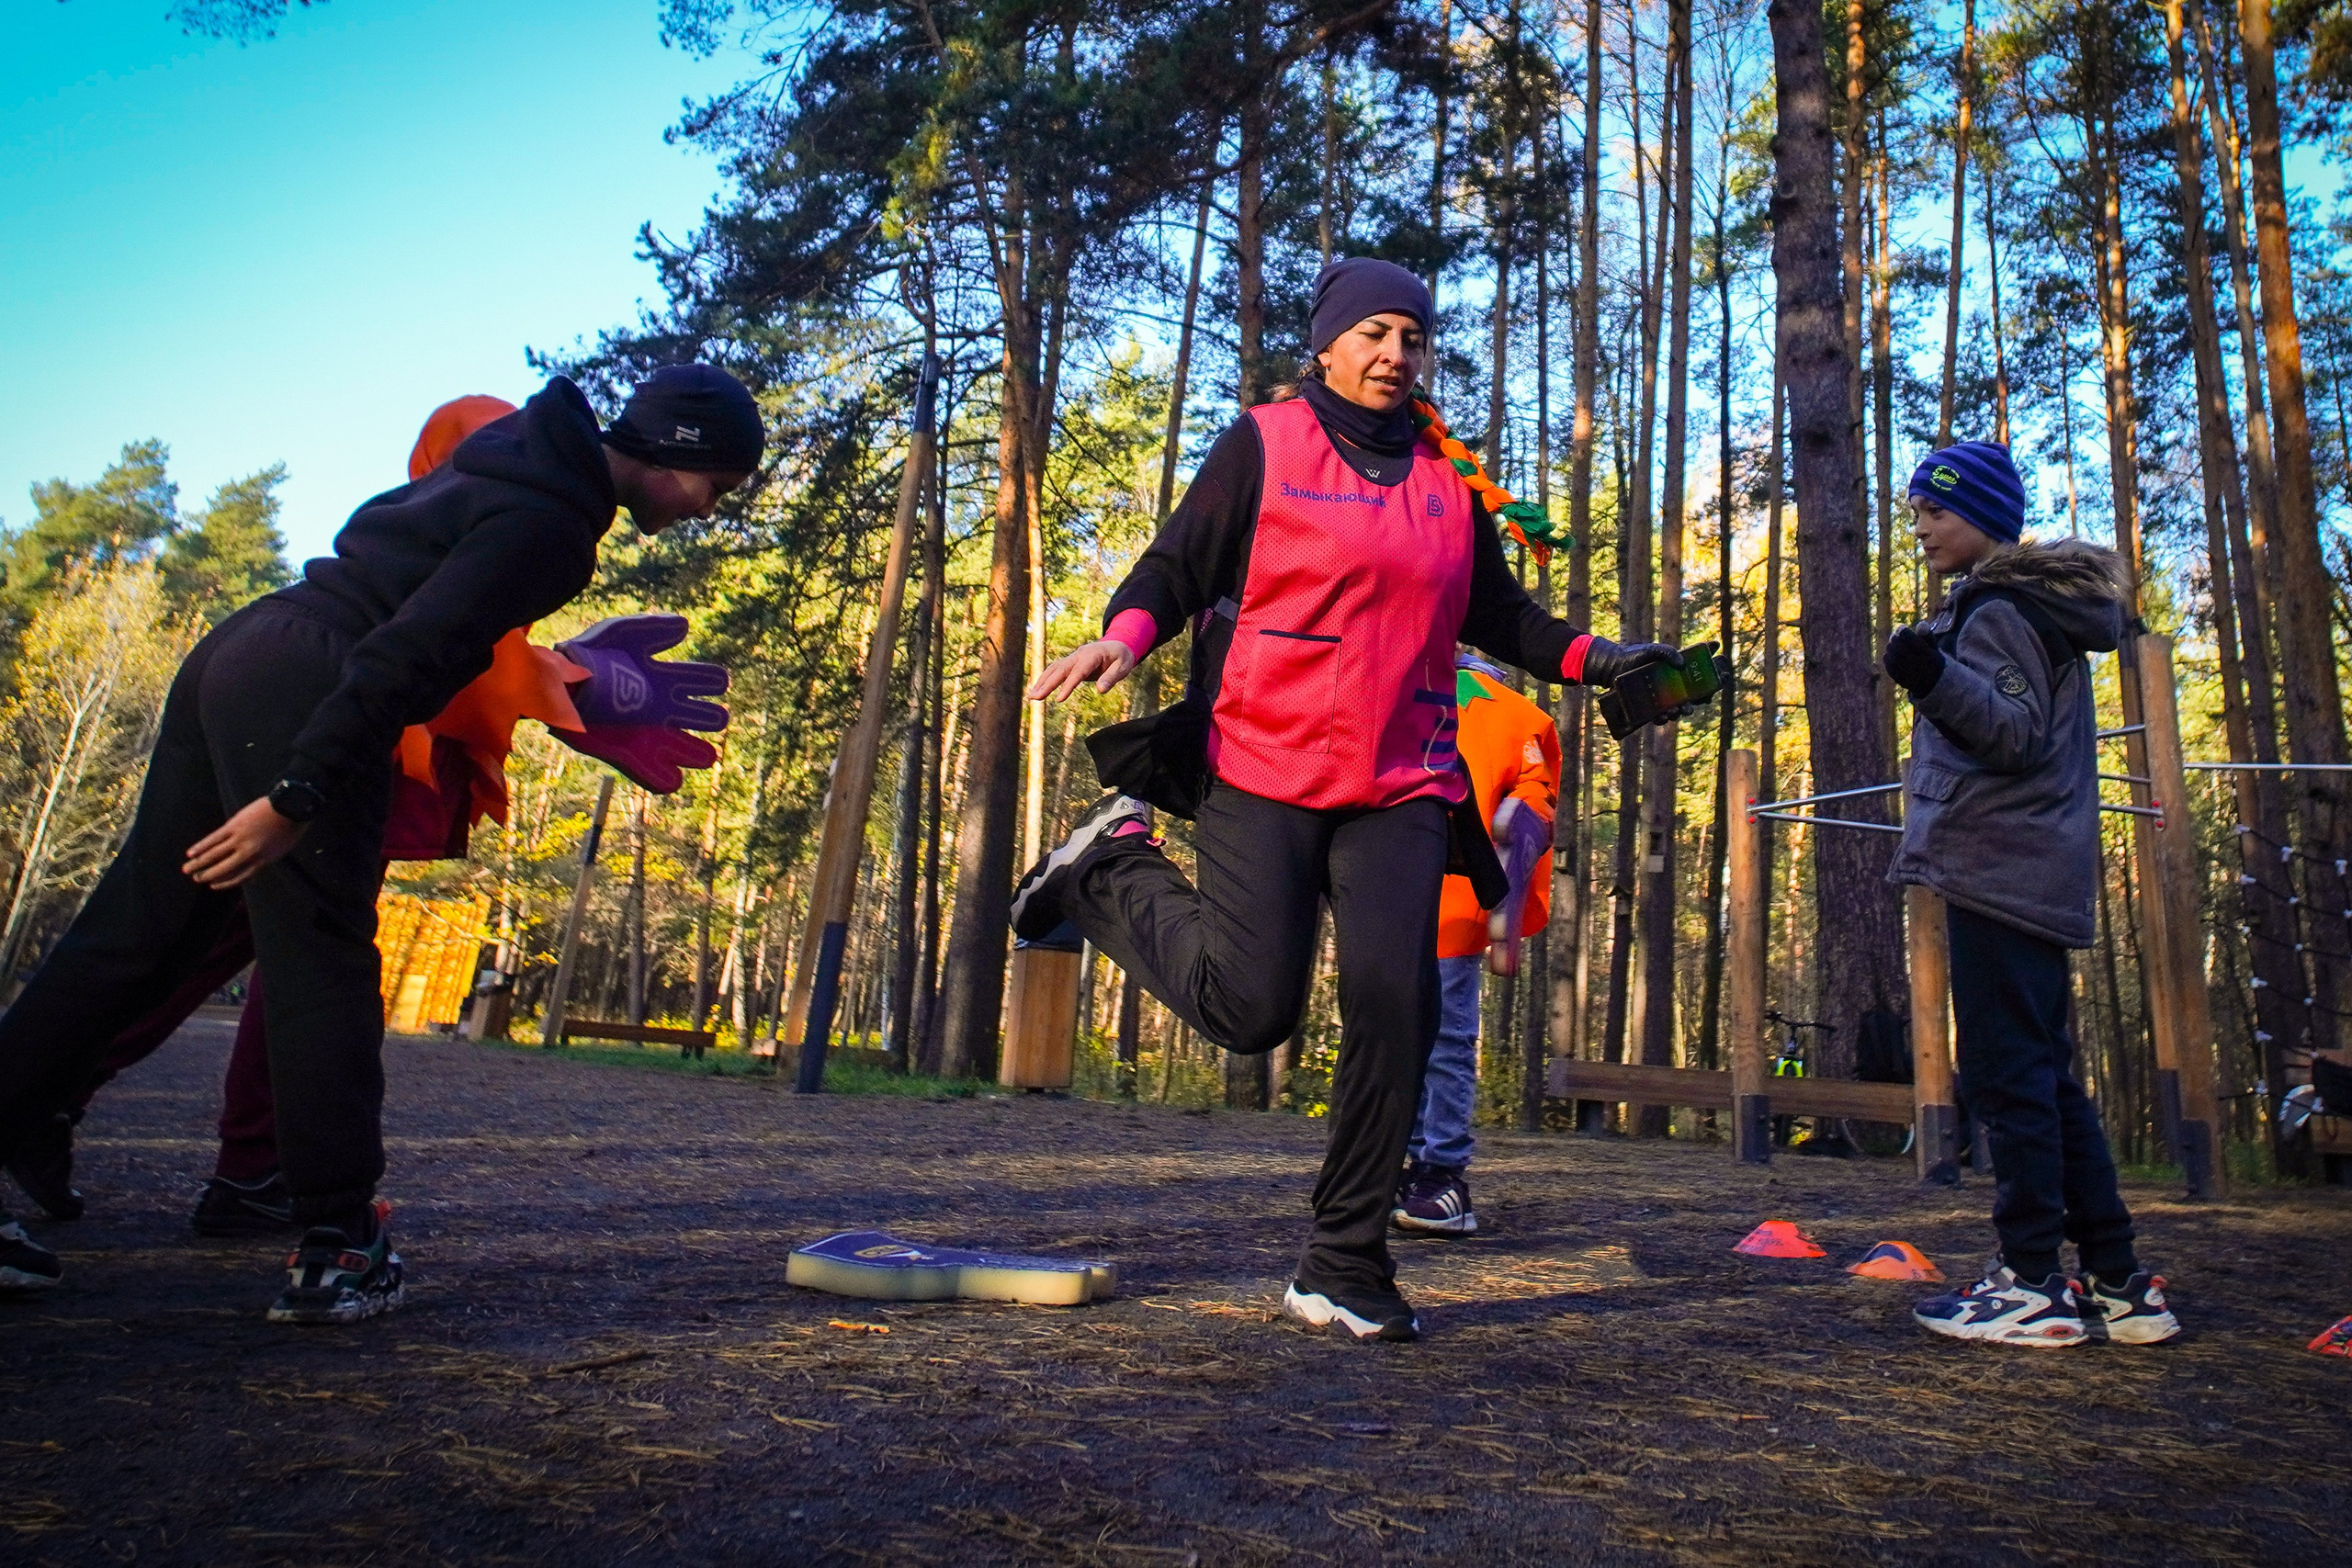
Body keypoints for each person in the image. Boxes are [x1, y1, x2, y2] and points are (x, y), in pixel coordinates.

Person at [0, 366, 762, 1321]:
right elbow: (408, 656)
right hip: (313, 681)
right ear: (675, 450)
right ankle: (337, 1243)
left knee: (132, 927)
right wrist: (299, 794)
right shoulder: (553, 523)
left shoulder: (511, 466)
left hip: (244, 649)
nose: (706, 509)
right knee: (320, 961)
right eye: (715, 486)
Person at [1014, 257, 1680, 1342]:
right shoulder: (1265, 442)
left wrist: (1604, 659)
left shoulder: (1444, 477)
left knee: (1397, 1002)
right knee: (1252, 1009)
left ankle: (1344, 1262)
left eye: (1412, 338)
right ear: (1326, 343)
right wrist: (1125, 639)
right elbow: (1177, 568)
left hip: (1400, 778)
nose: (1394, 354)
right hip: (1262, 761)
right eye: (1373, 333)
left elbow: (1499, 616)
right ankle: (1106, 867)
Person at [1884, 440, 2179, 1348]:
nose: (1922, 528)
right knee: (2045, 1081)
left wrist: (1928, 675)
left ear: (1983, 518)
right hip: (2021, 866)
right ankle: (2119, 1284)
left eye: (1936, 511)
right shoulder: (2021, 610)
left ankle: (2028, 1282)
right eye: (1917, 512)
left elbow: (2009, 734)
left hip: (1999, 867)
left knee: (2008, 1080)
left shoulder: (2002, 611)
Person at [1391, 651, 1558, 1237]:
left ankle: (1390, 1165)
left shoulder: (1398, 689)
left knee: (1389, 1034)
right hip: (1463, 899)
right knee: (1449, 1040)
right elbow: (1536, 808)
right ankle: (1441, 1177)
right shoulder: (1522, 717)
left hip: (1384, 895)